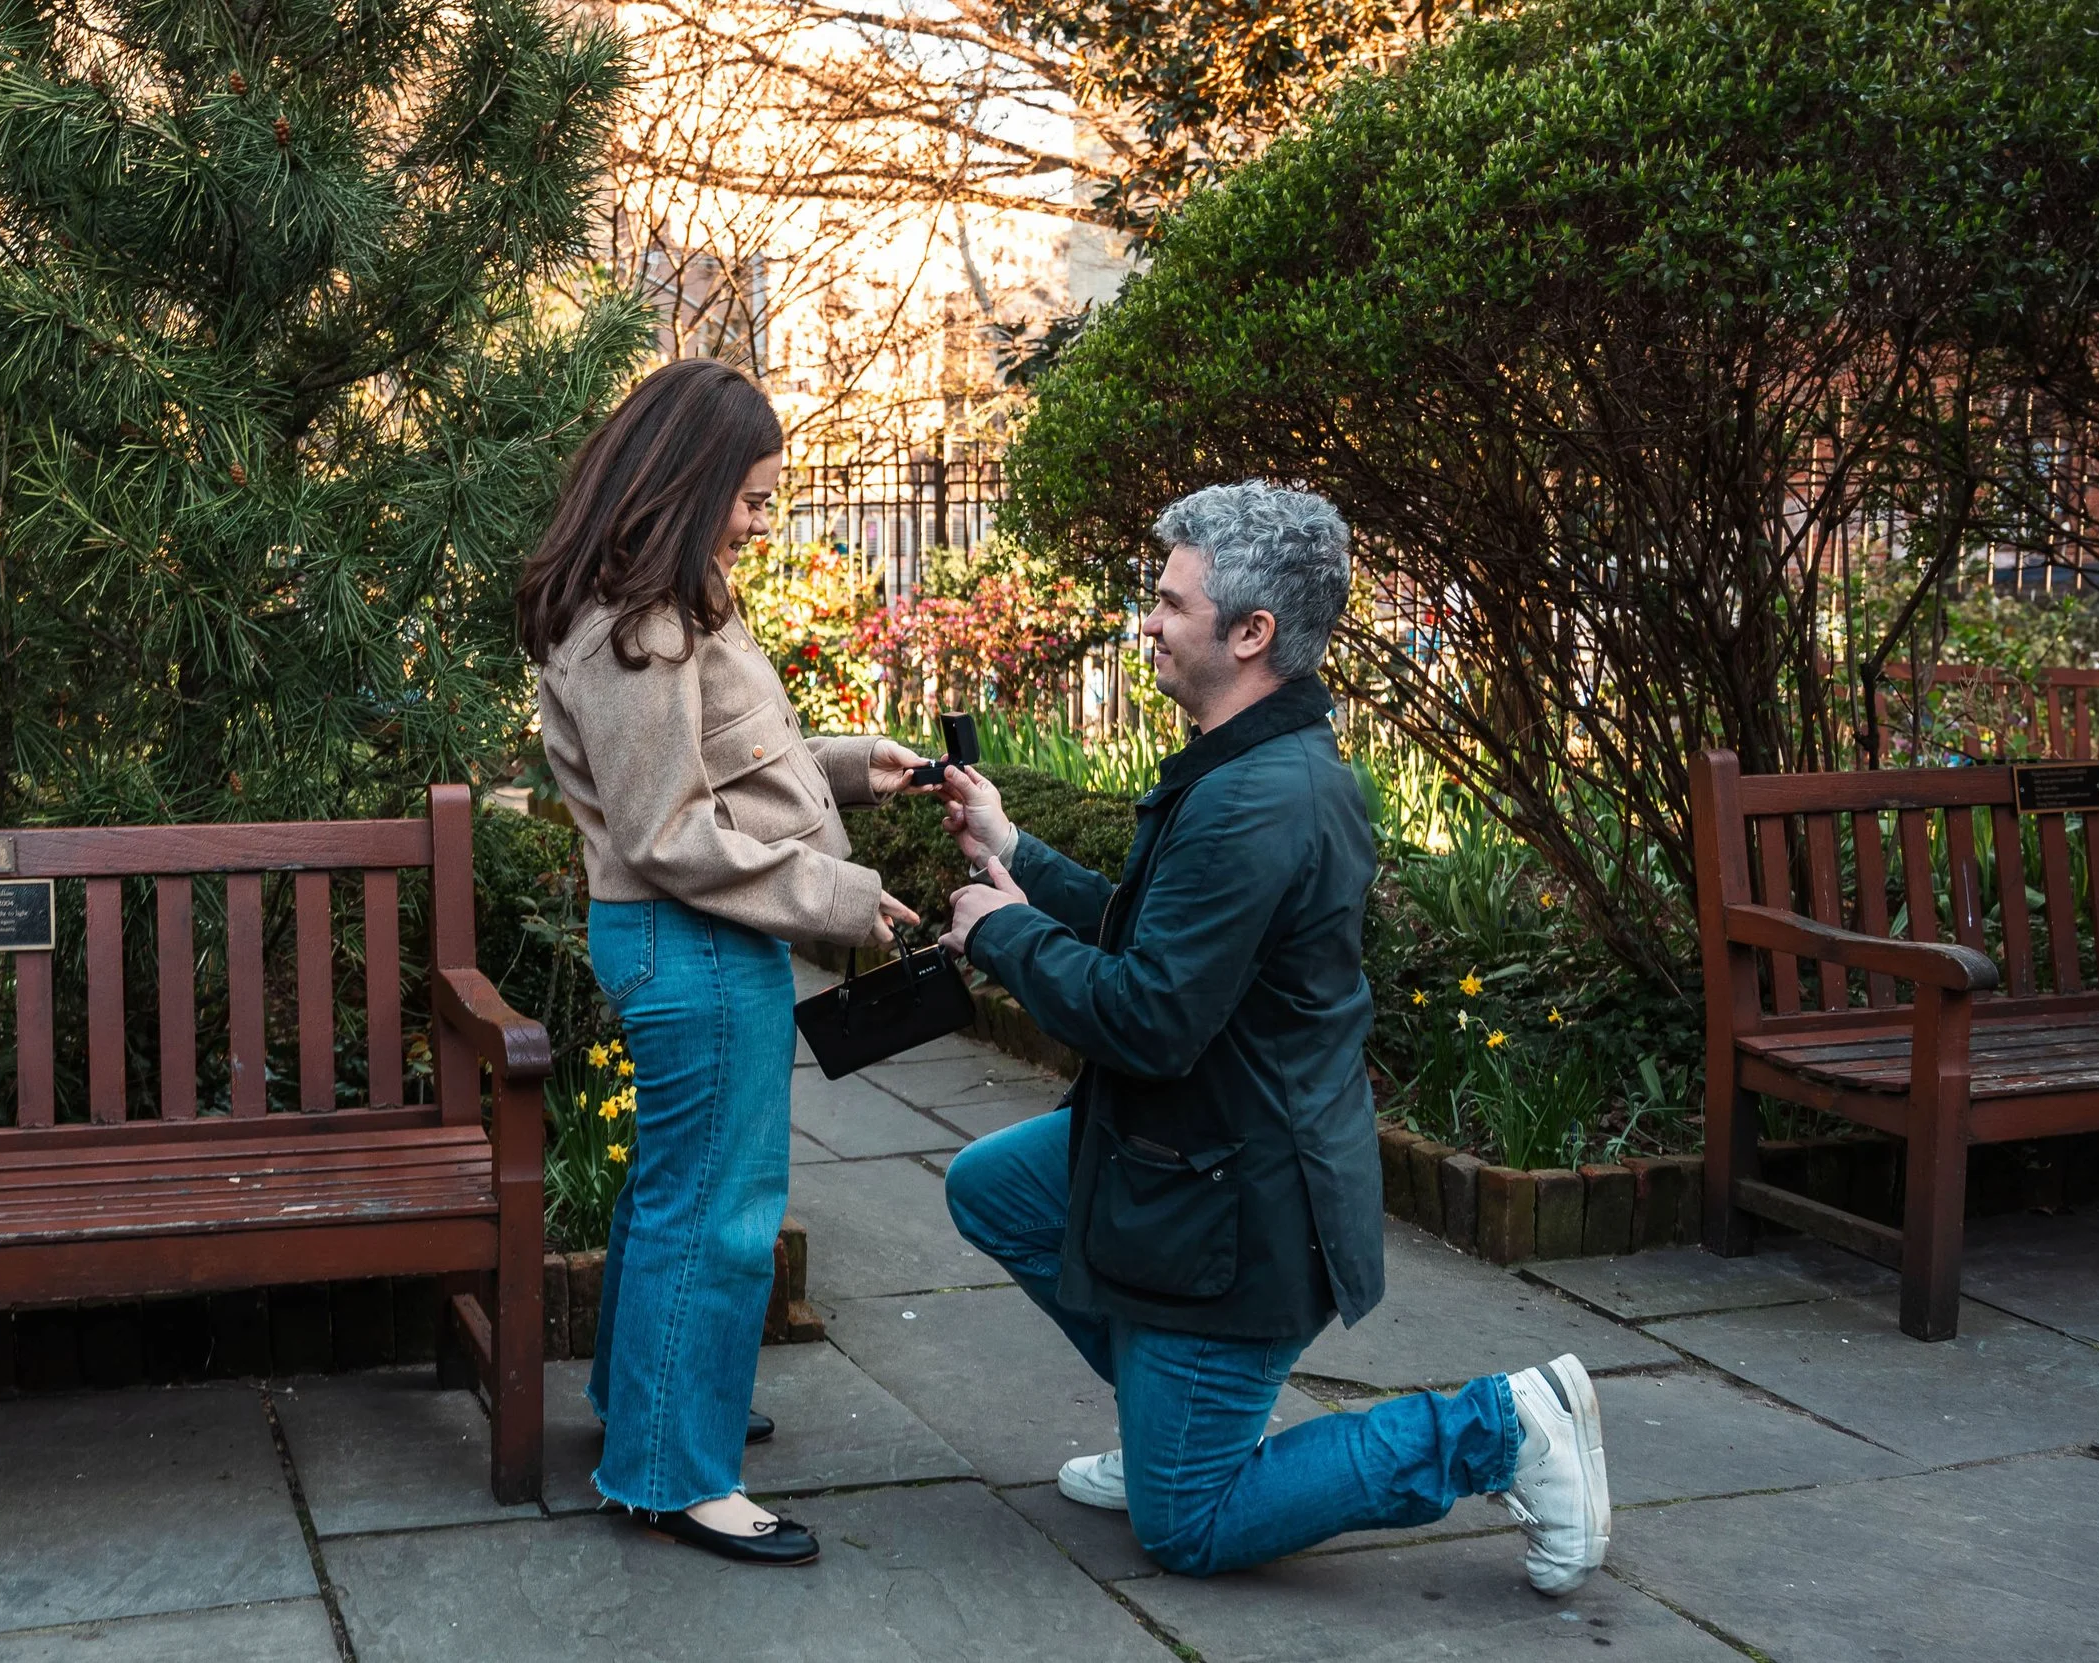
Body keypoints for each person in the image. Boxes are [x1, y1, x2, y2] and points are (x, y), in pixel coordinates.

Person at [933, 482, 1610, 1588]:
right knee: (997, 1187)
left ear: (1251, 634)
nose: (1145, 622)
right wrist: (1020, 854)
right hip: (1190, 1156)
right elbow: (1169, 942)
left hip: (1239, 1203)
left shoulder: (1261, 798)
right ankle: (1171, 1418)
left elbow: (1151, 1018)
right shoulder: (1243, 770)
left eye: (1168, 603)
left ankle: (1501, 1428)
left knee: (1189, 1528)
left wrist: (1004, 935)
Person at [517, 359, 930, 1566]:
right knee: (723, 1208)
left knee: (679, 1190)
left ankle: (652, 1405)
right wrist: (842, 899)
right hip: (689, 937)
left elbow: (725, 765)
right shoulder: (638, 629)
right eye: (750, 496)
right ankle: (672, 1472)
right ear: (687, 483)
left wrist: (856, 767)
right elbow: (669, 833)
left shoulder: (673, 602)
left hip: (692, 934)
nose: (759, 519)